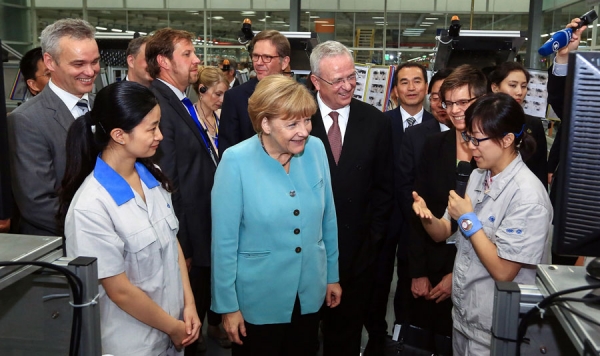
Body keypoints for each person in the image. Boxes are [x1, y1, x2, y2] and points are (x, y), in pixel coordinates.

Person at [59, 81, 200, 355]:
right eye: (151, 128)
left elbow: (172, 245)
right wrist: (172, 327)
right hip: (133, 343)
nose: (159, 135)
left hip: (173, 331)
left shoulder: (152, 177)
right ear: (119, 135)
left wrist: (189, 305)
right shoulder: (91, 206)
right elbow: (119, 290)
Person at [412, 93, 552, 355]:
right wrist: (427, 218)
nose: (471, 146)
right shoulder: (478, 175)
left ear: (507, 139)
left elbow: (503, 271)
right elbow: (445, 231)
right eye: (469, 137)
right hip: (466, 319)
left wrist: (467, 219)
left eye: (477, 139)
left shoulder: (528, 197)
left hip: (499, 329)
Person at [211, 75, 341, 355]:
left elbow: (327, 219)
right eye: (292, 123)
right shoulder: (236, 161)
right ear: (265, 123)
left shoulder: (316, 150)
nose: (304, 131)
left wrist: (332, 275)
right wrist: (227, 306)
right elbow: (223, 242)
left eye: (306, 120)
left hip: (309, 291)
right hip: (258, 300)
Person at [308, 40, 393, 356]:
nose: (347, 86)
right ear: (316, 81)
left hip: (357, 256)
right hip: (305, 254)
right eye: (337, 80)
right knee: (300, 338)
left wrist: (372, 240)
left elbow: (385, 189)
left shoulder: (375, 122)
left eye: (351, 77)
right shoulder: (296, 118)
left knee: (343, 339)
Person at [146, 28, 215, 355]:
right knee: (187, 322)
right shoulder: (158, 103)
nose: (196, 59)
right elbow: (168, 180)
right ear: (164, 61)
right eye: (187, 53)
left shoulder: (181, 101)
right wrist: (182, 245)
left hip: (199, 230)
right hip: (187, 237)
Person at [365, 62, 435, 354]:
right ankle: (376, 336)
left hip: (418, 219)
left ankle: (406, 337)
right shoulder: (380, 122)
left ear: (426, 87)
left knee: (412, 278)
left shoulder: (438, 127)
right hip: (384, 215)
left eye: (416, 81)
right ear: (394, 90)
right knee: (377, 280)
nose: (410, 87)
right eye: (404, 82)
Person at [7, 18, 99, 236]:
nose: (90, 71)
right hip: (63, 244)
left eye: (95, 61)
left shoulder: (101, 107)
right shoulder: (26, 120)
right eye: (78, 64)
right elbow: (37, 204)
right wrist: (99, 230)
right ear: (49, 62)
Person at [189, 65, 231, 349]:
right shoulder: (189, 119)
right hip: (198, 203)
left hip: (221, 200)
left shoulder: (221, 118)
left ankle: (216, 323)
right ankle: (197, 326)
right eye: (217, 94)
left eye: (224, 94)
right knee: (200, 272)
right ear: (201, 91)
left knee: (219, 265)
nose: (221, 100)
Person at [219, 30, 291, 154]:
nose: (258, 62)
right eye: (256, 56)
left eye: (267, 57)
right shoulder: (235, 98)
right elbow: (227, 151)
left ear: (284, 62)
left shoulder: (299, 97)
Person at [488, 61, 548, 186]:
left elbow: (540, 170)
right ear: (495, 88)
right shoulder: (483, 122)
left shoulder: (534, 124)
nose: (519, 92)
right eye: (513, 85)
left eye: (524, 86)